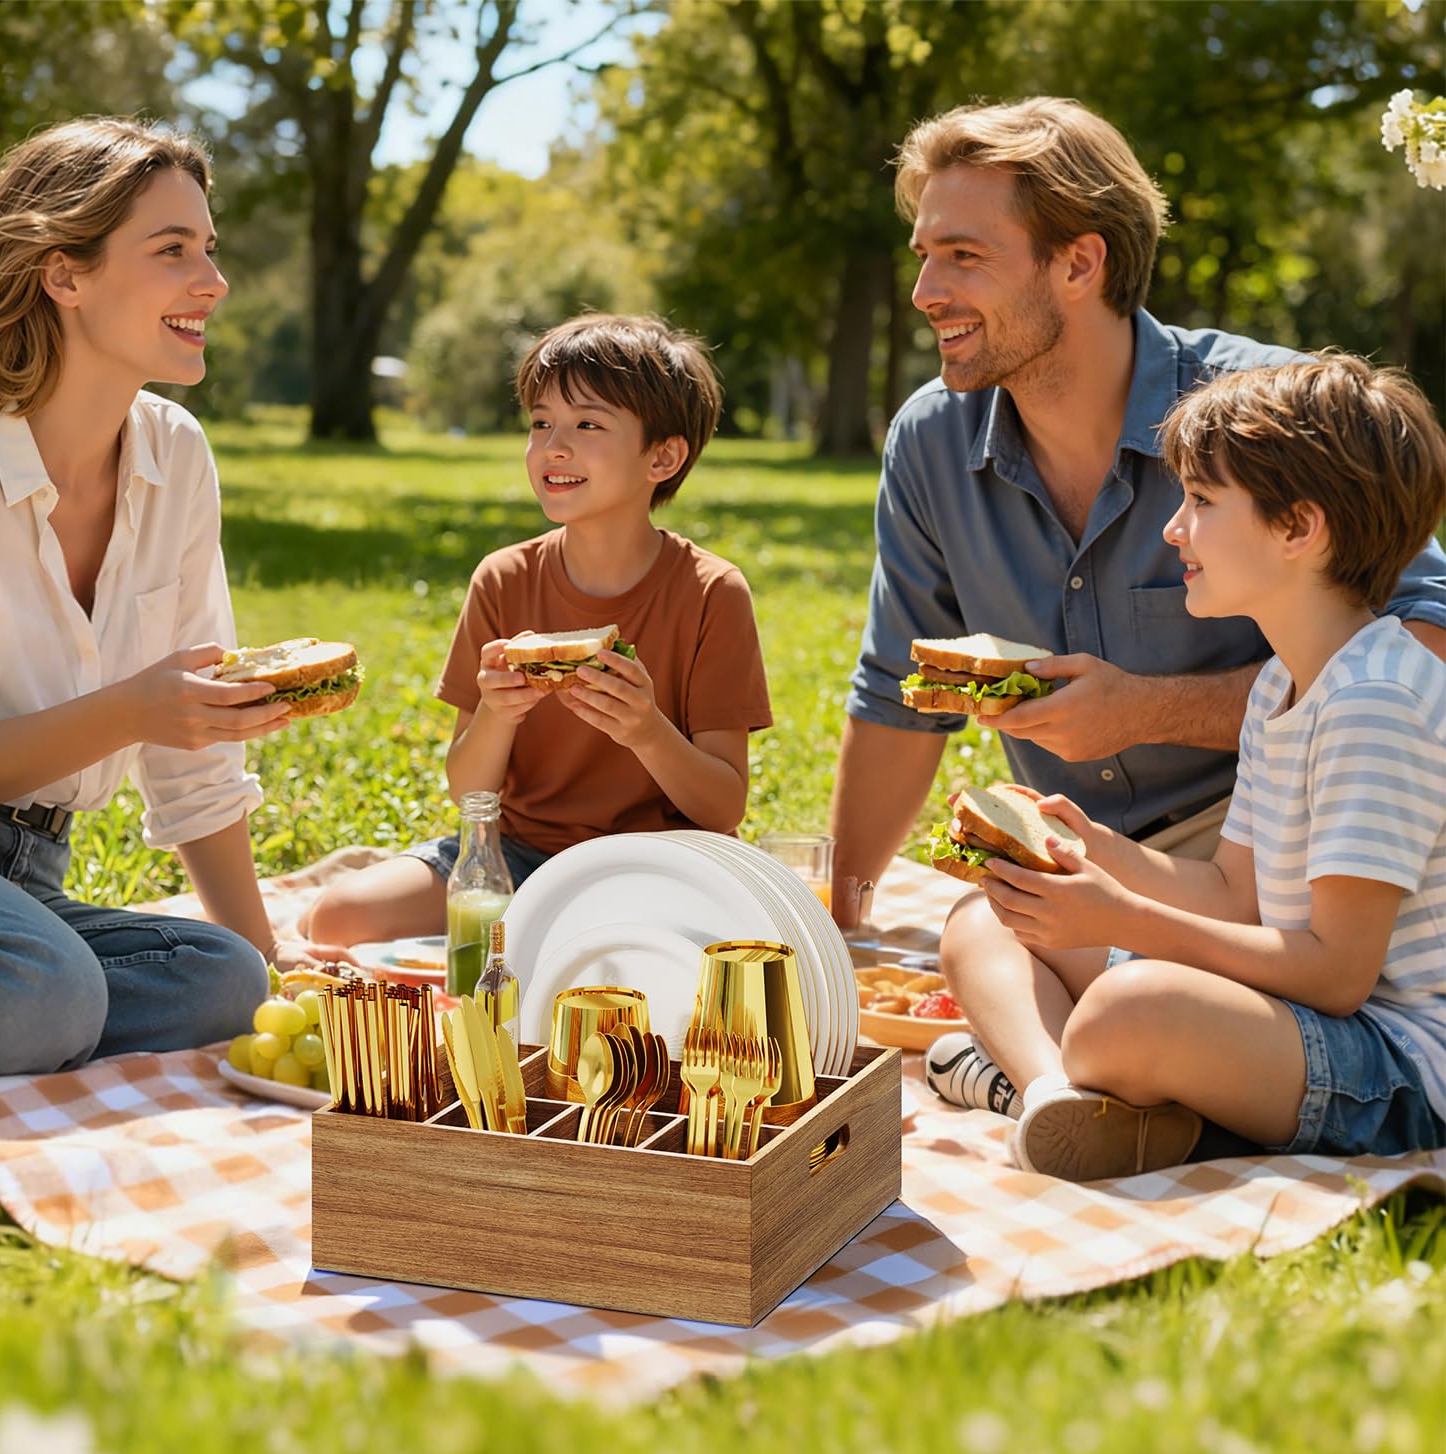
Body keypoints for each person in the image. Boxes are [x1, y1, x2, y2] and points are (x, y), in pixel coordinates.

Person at [830, 97, 1446, 928]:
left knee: (1104, 996)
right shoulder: (930, 441)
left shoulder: (1264, 417)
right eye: (924, 256)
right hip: (1081, 858)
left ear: (1079, 264)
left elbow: (1428, 647)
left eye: (963, 256)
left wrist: (1151, 708)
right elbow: (896, 698)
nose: (924, 292)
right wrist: (842, 922)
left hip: (1276, 860)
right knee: (979, 942)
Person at [0, 118, 344, 1081]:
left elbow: (193, 763)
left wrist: (274, 976)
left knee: (221, 981)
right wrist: (132, 710)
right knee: (39, 991)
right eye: (172, 252)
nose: (213, 281)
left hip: (21, 866)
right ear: (62, 271)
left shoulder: (174, 455)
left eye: (209, 250)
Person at [927, 353, 1446, 1180]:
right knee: (986, 920)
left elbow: (1339, 974)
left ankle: (1087, 1100)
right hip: (1295, 1017)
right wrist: (1095, 849)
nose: (1174, 529)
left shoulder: (1374, 700)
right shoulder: (1284, 681)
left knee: (1131, 1008)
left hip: (1393, 1069)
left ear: (1298, 529)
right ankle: (1055, 1097)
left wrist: (1122, 921)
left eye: (1202, 502)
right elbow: (1234, 897)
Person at [302, 313, 772, 945]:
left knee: (624, 951)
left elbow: (723, 806)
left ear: (662, 456)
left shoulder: (712, 592)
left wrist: (647, 731)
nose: (554, 446)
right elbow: (468, 789)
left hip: (655, 868)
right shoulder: (503, 579)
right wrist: (497, 713)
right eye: (541, 423)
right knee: (337, 919)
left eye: (588, 425)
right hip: (516, 855)